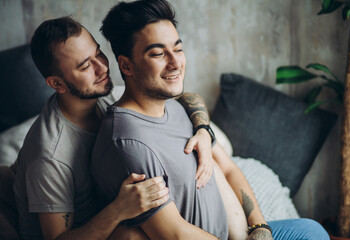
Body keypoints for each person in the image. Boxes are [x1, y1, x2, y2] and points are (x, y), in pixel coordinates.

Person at [91, 0, 331, 239]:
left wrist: (260, 229)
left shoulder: (175, 107)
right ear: (126, 65)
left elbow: (228, 168)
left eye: (178, 48)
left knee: (311, 231)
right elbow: (174, 234)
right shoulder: (129, 142)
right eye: (158, 53)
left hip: (243, 234)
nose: (176, 63)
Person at [13, 16, 215, 240]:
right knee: (132, 235)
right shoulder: (49, 157)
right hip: (90, 229)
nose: (102, 68)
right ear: (57, 84)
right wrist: (118, 210)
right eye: (85, 65)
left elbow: (179, 96)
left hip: (114, 210)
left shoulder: (105, 94)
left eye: (98, 53)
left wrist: (204, 130)